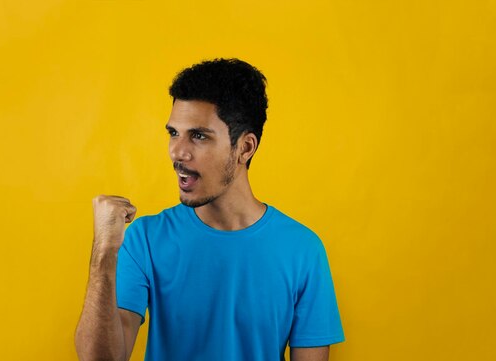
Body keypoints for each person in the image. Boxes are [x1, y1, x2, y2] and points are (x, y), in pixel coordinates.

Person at [75, 58, 345, 361]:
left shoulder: (302, 250)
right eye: (173, 133)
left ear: (245, 148)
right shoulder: (144, 240)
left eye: (199, 136)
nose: (177, 151)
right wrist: (104, 253)